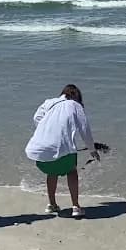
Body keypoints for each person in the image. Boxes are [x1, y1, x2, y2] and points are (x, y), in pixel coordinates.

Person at [25, 84, 100, 218]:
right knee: (71, 171)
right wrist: (92, 149)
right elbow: (84, 129)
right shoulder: (75, 105)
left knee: (51, 172)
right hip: (62, 151)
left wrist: (47, 130)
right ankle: (76, 206)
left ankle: (52, 204)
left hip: (40, 153)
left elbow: (36, 118)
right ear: (76, 96)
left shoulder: (49, 102)